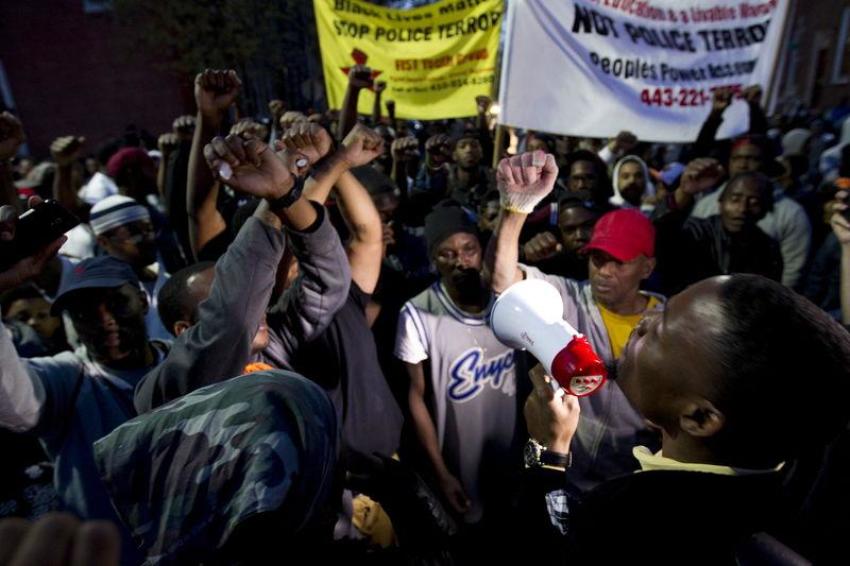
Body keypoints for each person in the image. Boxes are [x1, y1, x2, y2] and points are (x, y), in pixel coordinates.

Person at [521, 274, 850, 565]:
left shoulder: (630, 524)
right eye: (662, 310)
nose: (644, 320)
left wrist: (549, 455)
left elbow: (552, 552)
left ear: (700, 418)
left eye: (660, 332)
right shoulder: (790, 479)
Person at [133, 123, 352, 414]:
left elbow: (330, 282)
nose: (257, 308)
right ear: (184, 330)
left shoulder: (275, 342)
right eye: (216, 300)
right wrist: (272, 203)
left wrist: (286, 191)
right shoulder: (168, 387)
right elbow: (234, 318)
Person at [0, 206, 169, 563]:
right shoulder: (69, 378)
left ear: (141, 301)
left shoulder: (185, 365)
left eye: (116, 304)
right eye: (85, 311)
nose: (104, 321)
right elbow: (14, 403)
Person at [487, 150, 663, 491]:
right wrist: (514, 210)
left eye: (619, 261)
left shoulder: (672, 323)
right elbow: (502, 281)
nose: (604, 271)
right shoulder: (568, 298)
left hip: (633, 488)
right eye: (597, 258)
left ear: (647, 267)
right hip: (566, 474)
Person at [395, 201, 523, 535]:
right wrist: (440, 472)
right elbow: (416, 396)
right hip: (458, 460)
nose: (460, 261)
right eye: (446, 253)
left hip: (512, 455)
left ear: (482, 250)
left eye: (469, 249)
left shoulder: (508, 300)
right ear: (433, 260)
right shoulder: (417, 312)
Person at [690, 135, 811, 288]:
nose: (742, 165)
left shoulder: (791, 214)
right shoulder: (707, 204)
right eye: (736, 158)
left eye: (752, 159)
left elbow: (792, 272)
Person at [653, 162, 783, 294]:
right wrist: (684, 193)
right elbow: (658, 233)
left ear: (765, 209)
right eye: (735, 199)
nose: (742, 208)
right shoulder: (697, 231)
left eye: (754, 202)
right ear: (721, 202)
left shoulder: (767, 248)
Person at [89, 194, 172, 342]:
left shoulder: (167, 279)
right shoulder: (100, 296)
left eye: (149, 230)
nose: (148, 239)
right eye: (135, 234)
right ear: (104, 242)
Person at [521, 196, 600, 281]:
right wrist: (524, 254)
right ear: (560, 232)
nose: (579, 236)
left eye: (588, 226)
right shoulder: (550, 265)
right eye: (570, 229)